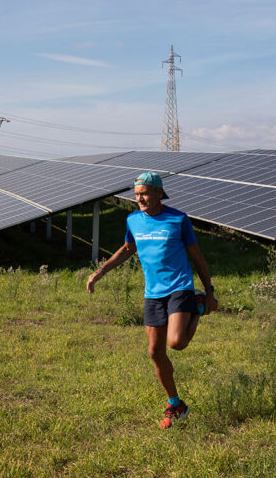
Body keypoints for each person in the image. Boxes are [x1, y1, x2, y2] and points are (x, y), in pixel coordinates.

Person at [87, 171, 217, 429]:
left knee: (177, 343)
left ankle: (198, 306)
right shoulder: (133, 220)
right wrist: (100, 272)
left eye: (144, 193)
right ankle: (175, 404)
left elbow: (196, 255)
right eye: (137, 195)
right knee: (155, 352)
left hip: (179, 287)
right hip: (153, 293)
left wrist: (209, 289)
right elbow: (126, 250)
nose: (140, 199)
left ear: (159, 193)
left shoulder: (178, 219)